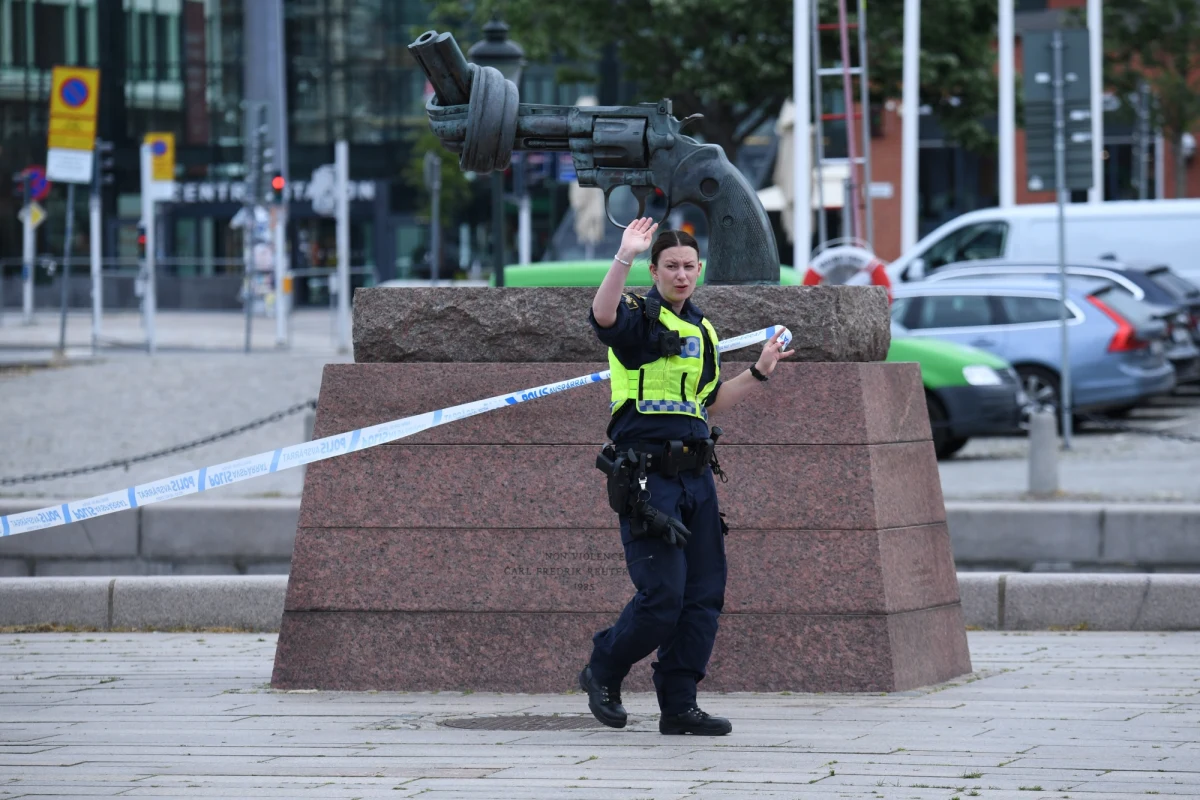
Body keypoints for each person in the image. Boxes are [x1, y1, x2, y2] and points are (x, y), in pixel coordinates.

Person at [579, 217, 794, 736]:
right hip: (648, 477)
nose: (681, 275)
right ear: (653, 271)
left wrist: (759, 372)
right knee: (662, 597)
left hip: (697, 476)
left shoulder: (703, 328)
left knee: (702, 596)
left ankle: (679, 705)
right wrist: (624, 254)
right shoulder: (637, 317)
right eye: (671, 266)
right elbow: (602, 315)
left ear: (700, 272)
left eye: (689, 267)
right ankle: (603, 668)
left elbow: (709, 403)